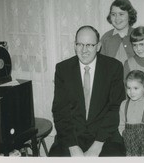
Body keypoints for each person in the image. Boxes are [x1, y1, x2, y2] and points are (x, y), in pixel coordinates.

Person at [48, 25, 126, 157]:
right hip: (72, 136)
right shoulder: (63, 69)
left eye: (89, 45)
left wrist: (97, 145)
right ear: (74, 45)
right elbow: (60, 111)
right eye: (80, 44)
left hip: (105, 136)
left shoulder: (114, 67)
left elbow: (115, 109)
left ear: (98, 46)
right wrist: (73, 147)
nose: (84, 50)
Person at [100, 0, 137, 64]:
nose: (117, 18)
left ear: (129, 15)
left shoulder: (138, 35)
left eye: (121, 14)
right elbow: (101, 63)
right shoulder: (106, 38)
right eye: (113, 14)